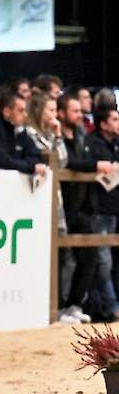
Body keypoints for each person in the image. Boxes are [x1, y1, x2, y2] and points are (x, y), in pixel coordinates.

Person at [56, 93, 113, 323]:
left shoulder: (82, 136)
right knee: (62, 259)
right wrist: (95, 165)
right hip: (61, 207)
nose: (80, 115)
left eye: (81, 111)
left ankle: (74, 304)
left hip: (82, 206)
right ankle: (59, 306)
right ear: (61, 113)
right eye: (75, 110)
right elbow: (65, 162)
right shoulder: (57, 137)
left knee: (89, 256)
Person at [86, 108, 119, 321]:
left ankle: (105, 305)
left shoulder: (116, 144)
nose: (118, 123)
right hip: (97, 208)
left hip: (114, 208)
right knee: (102, 260)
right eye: (115, 119)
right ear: (103, 124)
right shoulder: (93, 143)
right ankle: (111, 305)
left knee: (109, 261)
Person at [0, 90, 46, 176]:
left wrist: (28, 165)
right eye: (21, 110)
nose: (25, 115)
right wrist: (30, 167)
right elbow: (0, 160)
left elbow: (36, 155)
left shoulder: (18, 128)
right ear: (7, 111)